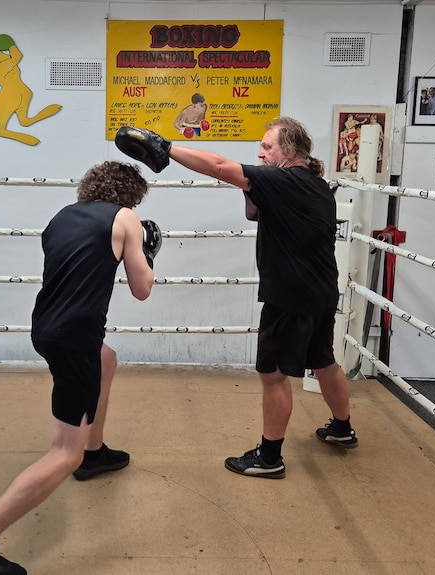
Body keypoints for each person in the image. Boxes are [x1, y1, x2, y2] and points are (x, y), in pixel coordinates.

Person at [0, 160, 158, 575]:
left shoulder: (61, 217)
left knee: (106, 358)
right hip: (74, 340)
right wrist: (146, 251)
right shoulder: (126, 217)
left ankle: (95, 452)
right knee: (62, 454)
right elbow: (143, 290)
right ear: (131, 196)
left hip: (47, 328)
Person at [114, 117, 357, 481]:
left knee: (273, 374)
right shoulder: (315, 185)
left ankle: (270, 457)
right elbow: (254, 212)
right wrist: (251, 183)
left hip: (290, 296)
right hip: (320, 291)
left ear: (289, 151)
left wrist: (166, 146)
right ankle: (342, 428)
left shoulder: (285, 180)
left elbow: (218, 166)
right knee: (324, 362)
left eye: (267, 147)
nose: (260, 152)